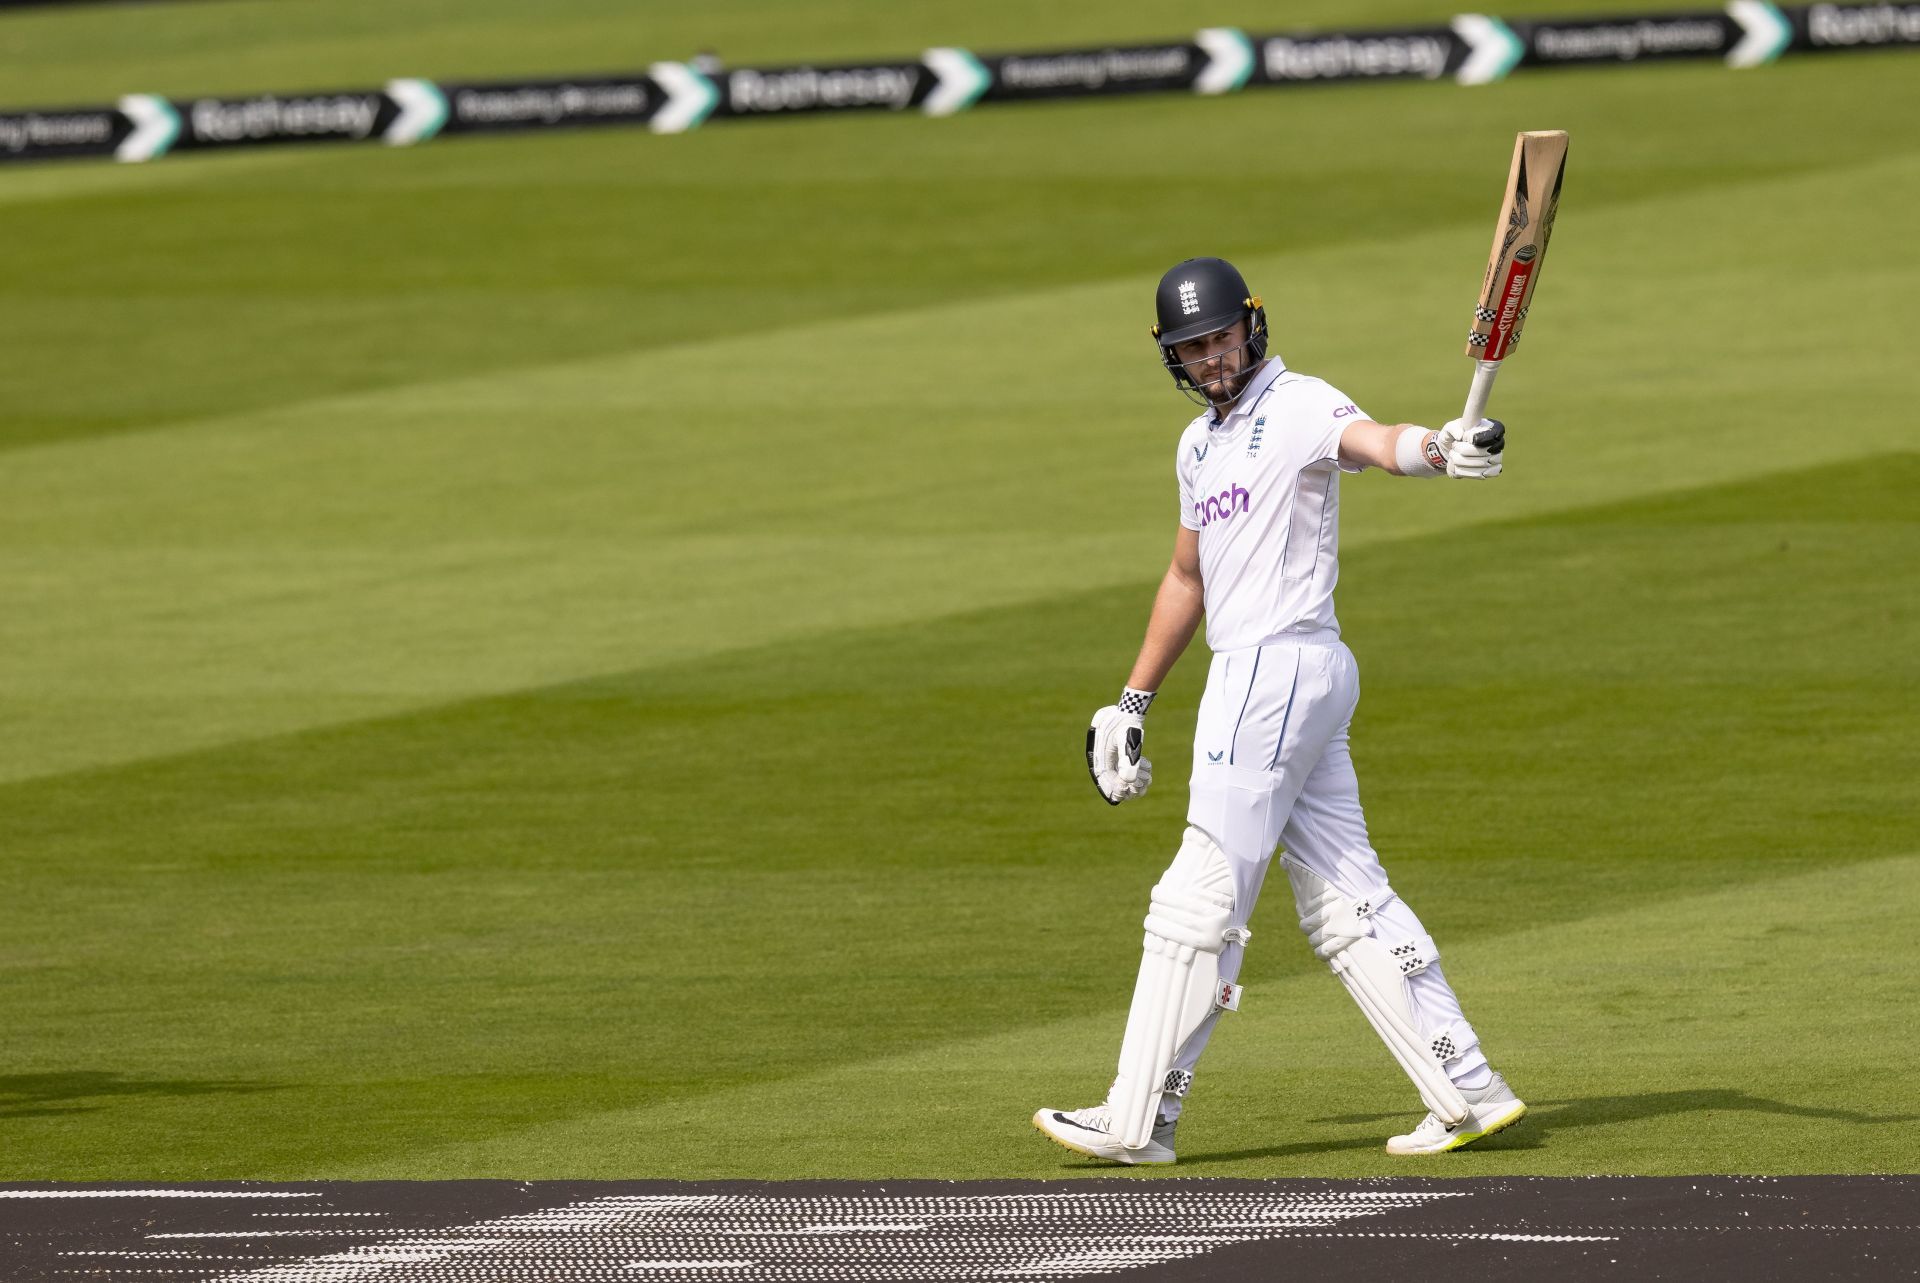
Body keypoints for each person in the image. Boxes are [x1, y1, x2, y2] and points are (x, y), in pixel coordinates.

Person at [1032, 256, 1525, 1164]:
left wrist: (1442, 447)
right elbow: (1188, 576)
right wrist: (1133, 697)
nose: (1211, 360)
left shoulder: (1296, 402)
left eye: (1219, 339)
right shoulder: (1197, 447)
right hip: (1280, 677)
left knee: (1196, 897)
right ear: (1171, 357)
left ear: (1250, 327)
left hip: (1276, 668)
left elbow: (1378, 443)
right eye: (1191, 348)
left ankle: (1137, 1118)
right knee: (1347, 897)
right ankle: (1466, 1088)